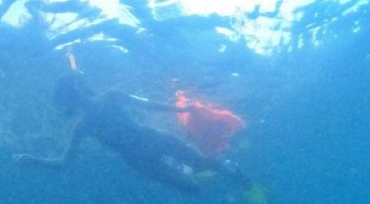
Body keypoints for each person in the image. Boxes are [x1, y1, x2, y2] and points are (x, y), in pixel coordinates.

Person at [13, 73, 252, 193]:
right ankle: (200, 179)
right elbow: (64, 162)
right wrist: (34, 161)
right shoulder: (83, 125)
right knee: (189, 189)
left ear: (78, 88)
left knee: (201, 164)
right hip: (139, 158)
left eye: (73, 91)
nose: (77, 96)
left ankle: (239, 177)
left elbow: (148, 105)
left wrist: (180, 107)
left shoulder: (110, 98)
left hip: (148, 141)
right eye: (71, 95)